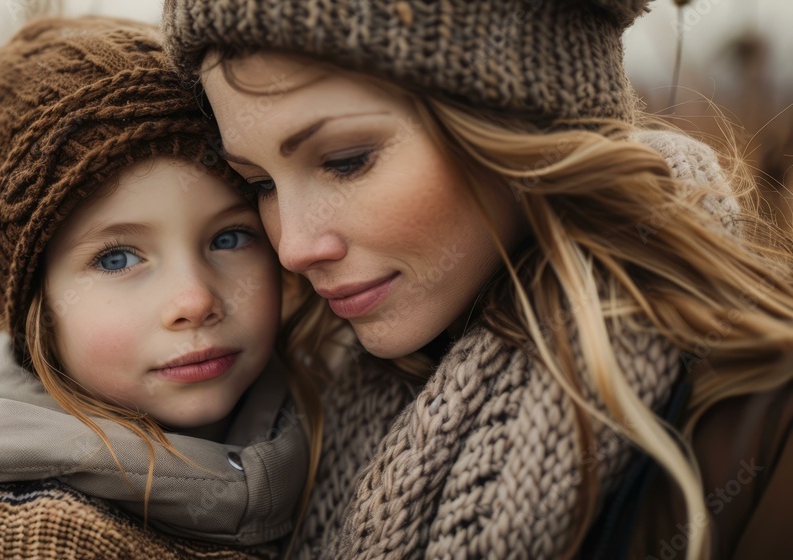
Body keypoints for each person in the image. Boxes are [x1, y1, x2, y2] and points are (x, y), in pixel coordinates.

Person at [161, 0, 793, 558]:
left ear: (522, 125)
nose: (294, 248)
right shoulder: (296, 399)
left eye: (346, 161)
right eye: (260, 184)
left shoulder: (765, 420)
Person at [0, 16, 315, 560]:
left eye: (228, 238)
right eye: (117, 258)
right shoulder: (26, 536)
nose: (195, 300)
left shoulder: (324, 400)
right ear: (38, 308)